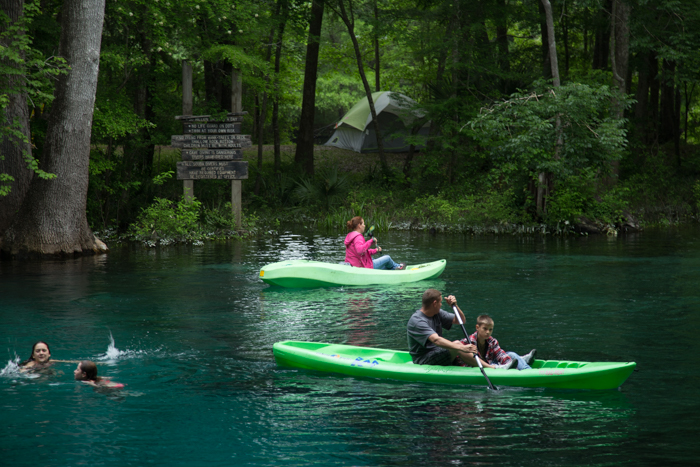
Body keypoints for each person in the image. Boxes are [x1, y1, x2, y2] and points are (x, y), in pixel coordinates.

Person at [407, 289, 511, 368]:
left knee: (458, 345)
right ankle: (492, 368)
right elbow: (436, 340)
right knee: (458, 344)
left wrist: (455, 306)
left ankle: (501, 362)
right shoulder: (417, 321)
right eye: (440, 302)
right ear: (434, 303)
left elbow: (460, 320)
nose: (441, 304)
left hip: (438, 353)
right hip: (423, 359)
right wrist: (461, 348)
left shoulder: (437, 313)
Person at [459, 314, 536, 371]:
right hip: (478, 367)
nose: (488, 332)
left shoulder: (492, 341)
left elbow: (500, 355)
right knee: (509, 358)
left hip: (490, 363)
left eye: (490, 329)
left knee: (511, 354)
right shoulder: (468, 341)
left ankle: (527, 369)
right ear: (477, 327)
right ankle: (522, 360)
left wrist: (512, 363)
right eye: (485, 329)